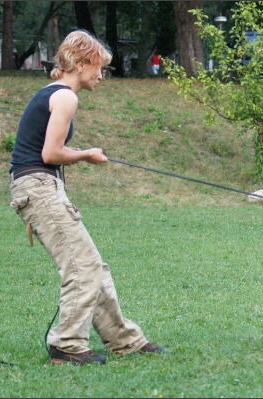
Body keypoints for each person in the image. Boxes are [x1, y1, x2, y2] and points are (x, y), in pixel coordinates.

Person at [9, 30, 165, 365]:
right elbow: (50, 153)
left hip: (36, 186)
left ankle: (125, 340)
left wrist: (78, 152)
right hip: (38, 187)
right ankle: (66, 345)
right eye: (98, 67)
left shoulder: (54, 94)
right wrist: (86, 154)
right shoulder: (66, 97)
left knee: (94, 267)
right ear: (81, 62)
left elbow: (47, 149)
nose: (101, 75)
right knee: (82, 267)